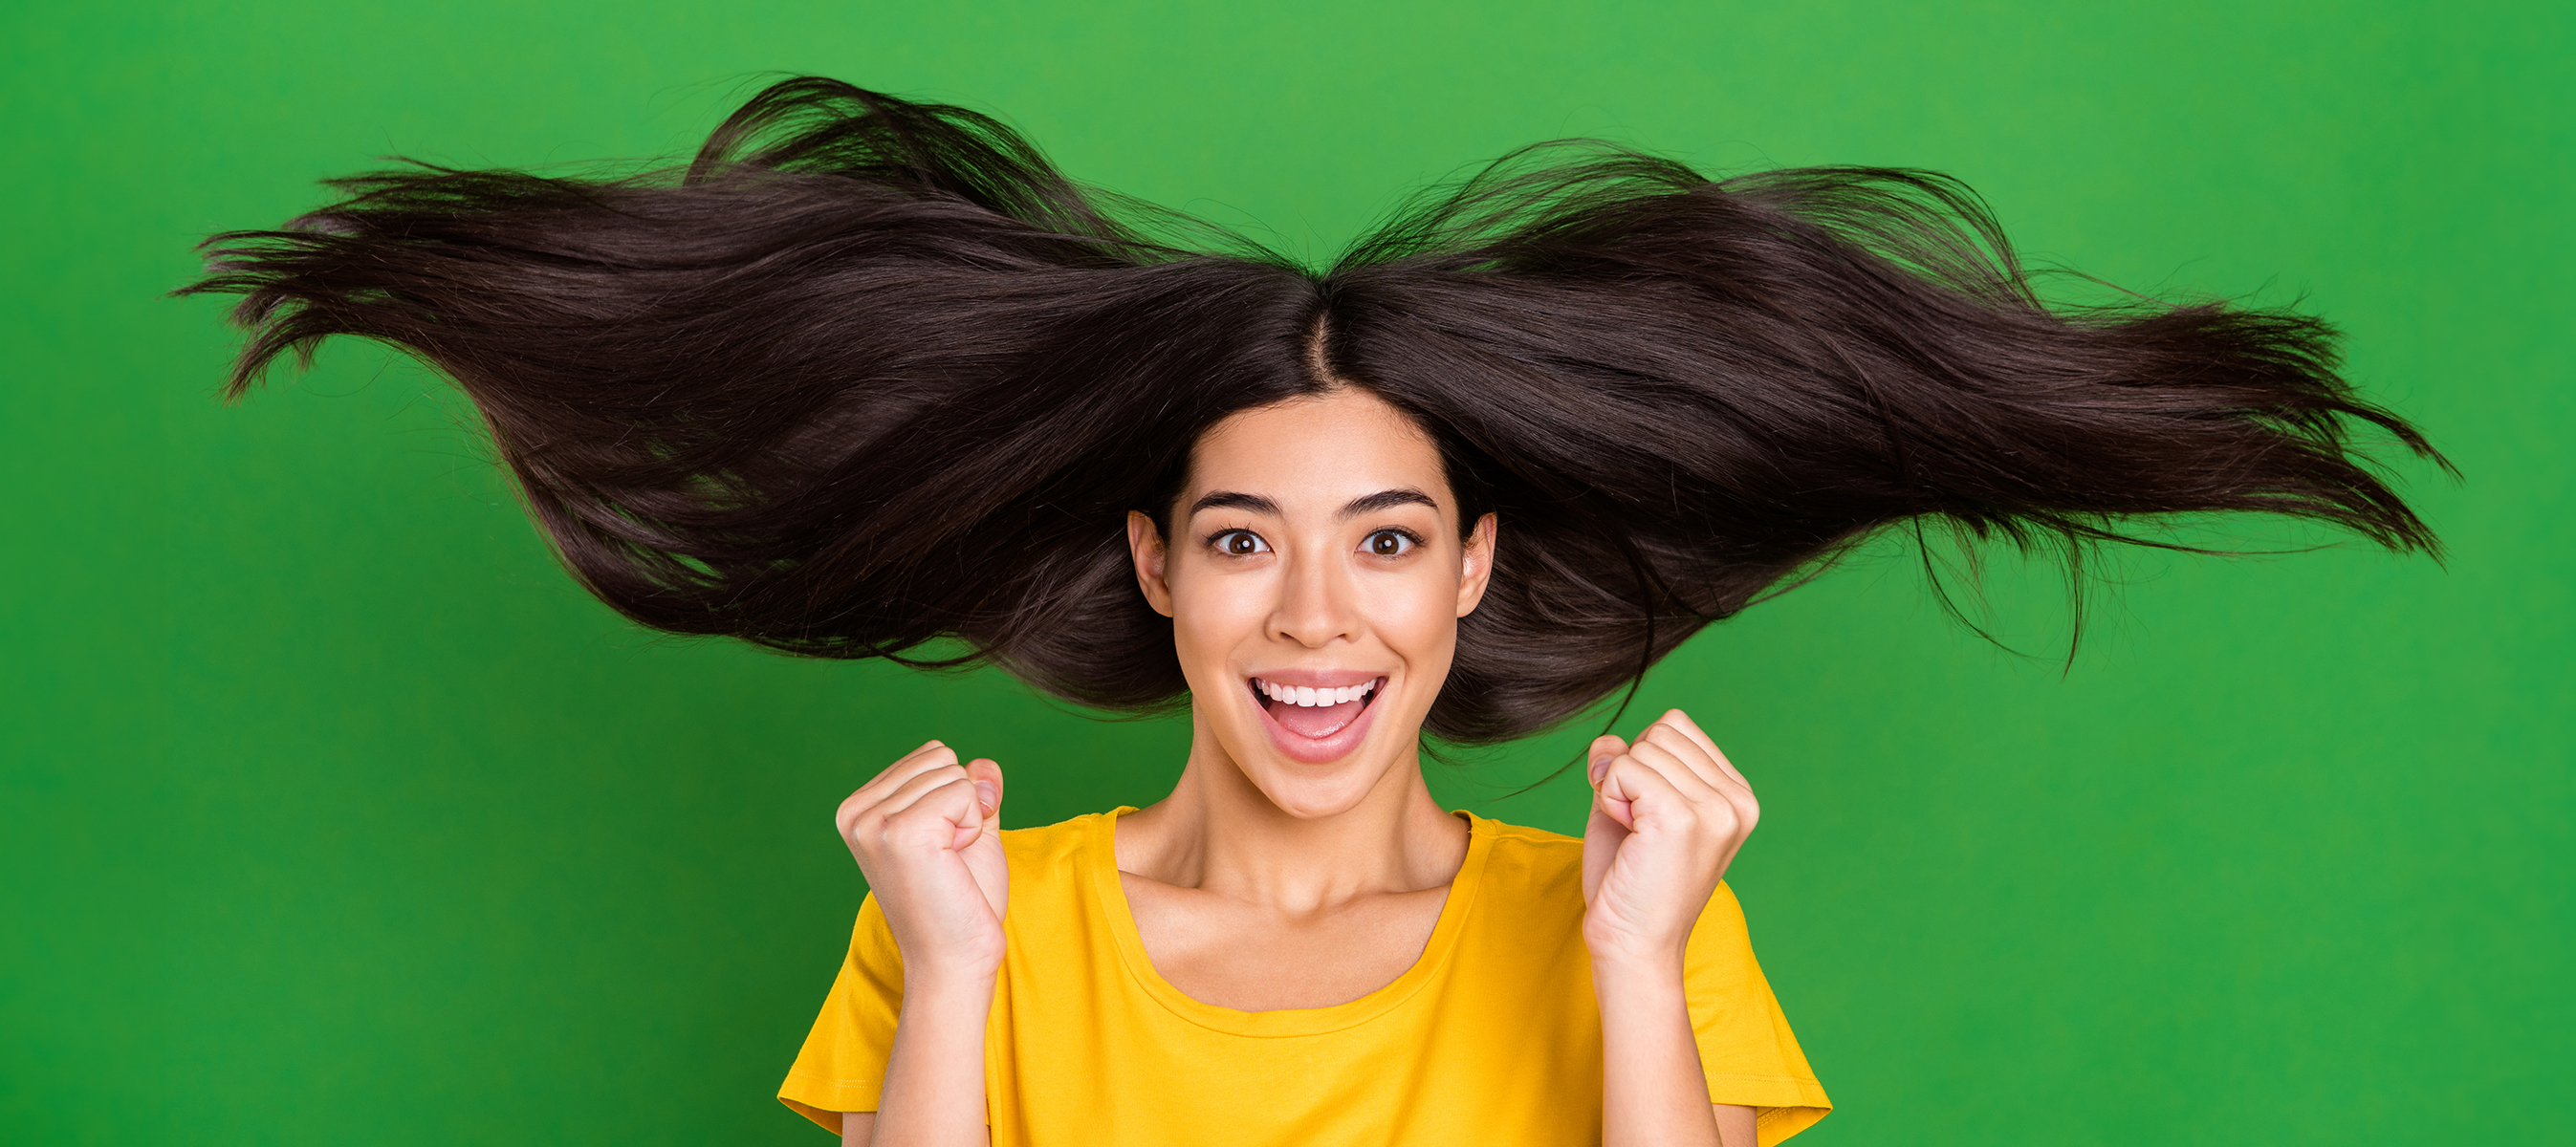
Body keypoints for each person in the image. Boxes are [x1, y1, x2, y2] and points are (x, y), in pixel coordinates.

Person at [186, 77, 2440, 1147]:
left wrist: (1643, 960)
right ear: (1160, 570)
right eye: (1246, 537)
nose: (1315, 615)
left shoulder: (1627, 928)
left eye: (1386, 537)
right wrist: (955, 970)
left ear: (1473, 574)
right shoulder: (972, 922)